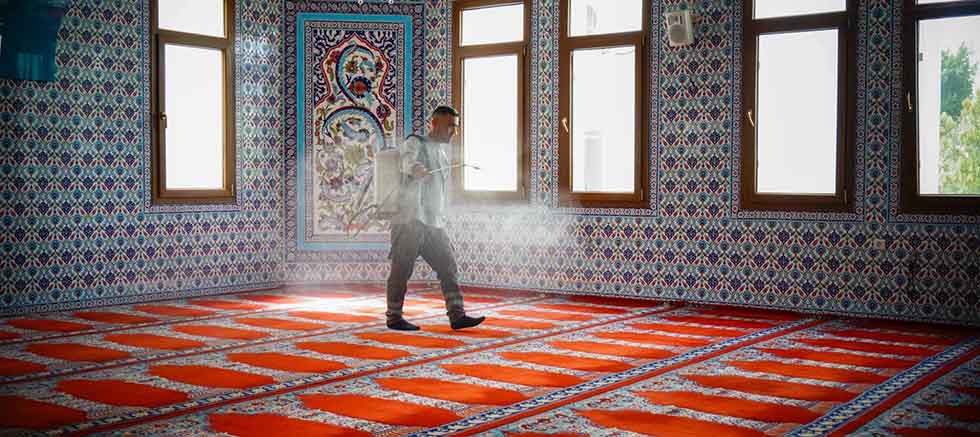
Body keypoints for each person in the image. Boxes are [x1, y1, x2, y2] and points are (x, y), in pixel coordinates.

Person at [385, 105, 485, 331]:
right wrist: (415, 169)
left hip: (433, 223)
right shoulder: (415, 142)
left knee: (448, 266)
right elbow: (405, 160)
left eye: (456, 127)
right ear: (434, 123)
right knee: (401, 269)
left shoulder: (442, 153)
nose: (454, 132)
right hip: (410, 220)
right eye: (450, 126)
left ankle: (457, 315)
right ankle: (394, 317)